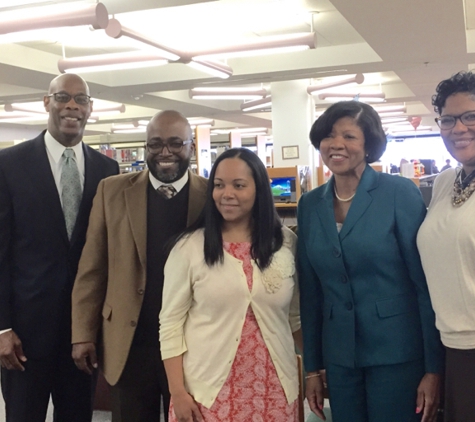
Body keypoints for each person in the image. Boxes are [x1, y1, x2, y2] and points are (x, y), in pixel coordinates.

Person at [297, 101, 444, 422]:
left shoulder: (399, 193)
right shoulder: (309, 205)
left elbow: (425, 285)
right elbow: (311, 293)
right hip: (339, 357)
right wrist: (311, 368)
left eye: (349, 136)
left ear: (369, 146)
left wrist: (434, 368)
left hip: (397, 353)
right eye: (330, 136)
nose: (337, 144)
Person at [71, 110, 207, 422]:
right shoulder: (112, 191)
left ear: (191, 148)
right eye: (155, 144)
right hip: (130, 341)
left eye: (175, 143)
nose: (165, 153)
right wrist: (82, 332)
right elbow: (92, 268)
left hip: (194, 341)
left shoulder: (211, 195)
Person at [0, 74, 119, 422]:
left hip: (83, 336)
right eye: (63, 97)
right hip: (23, 338)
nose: (72, 106)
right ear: (46, 102)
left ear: (90, 108)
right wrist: (2, 327)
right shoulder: (8, 165)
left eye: (81, 99)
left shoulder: (107, 170)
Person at [160, 147, 302, 422]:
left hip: (274, 390)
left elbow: (293, 318)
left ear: (259, 190)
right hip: (207, 392)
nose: (227, 194)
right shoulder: (189, 248)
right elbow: (170, 325)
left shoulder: (285, 243)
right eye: (219, 185)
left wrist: (314, 371)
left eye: (239, 185)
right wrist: (177, 392)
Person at [417, 70, 475, 422]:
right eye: (449, 120)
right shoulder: (443, 182)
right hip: (449, 343)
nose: (459, 129)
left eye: (470, 117)